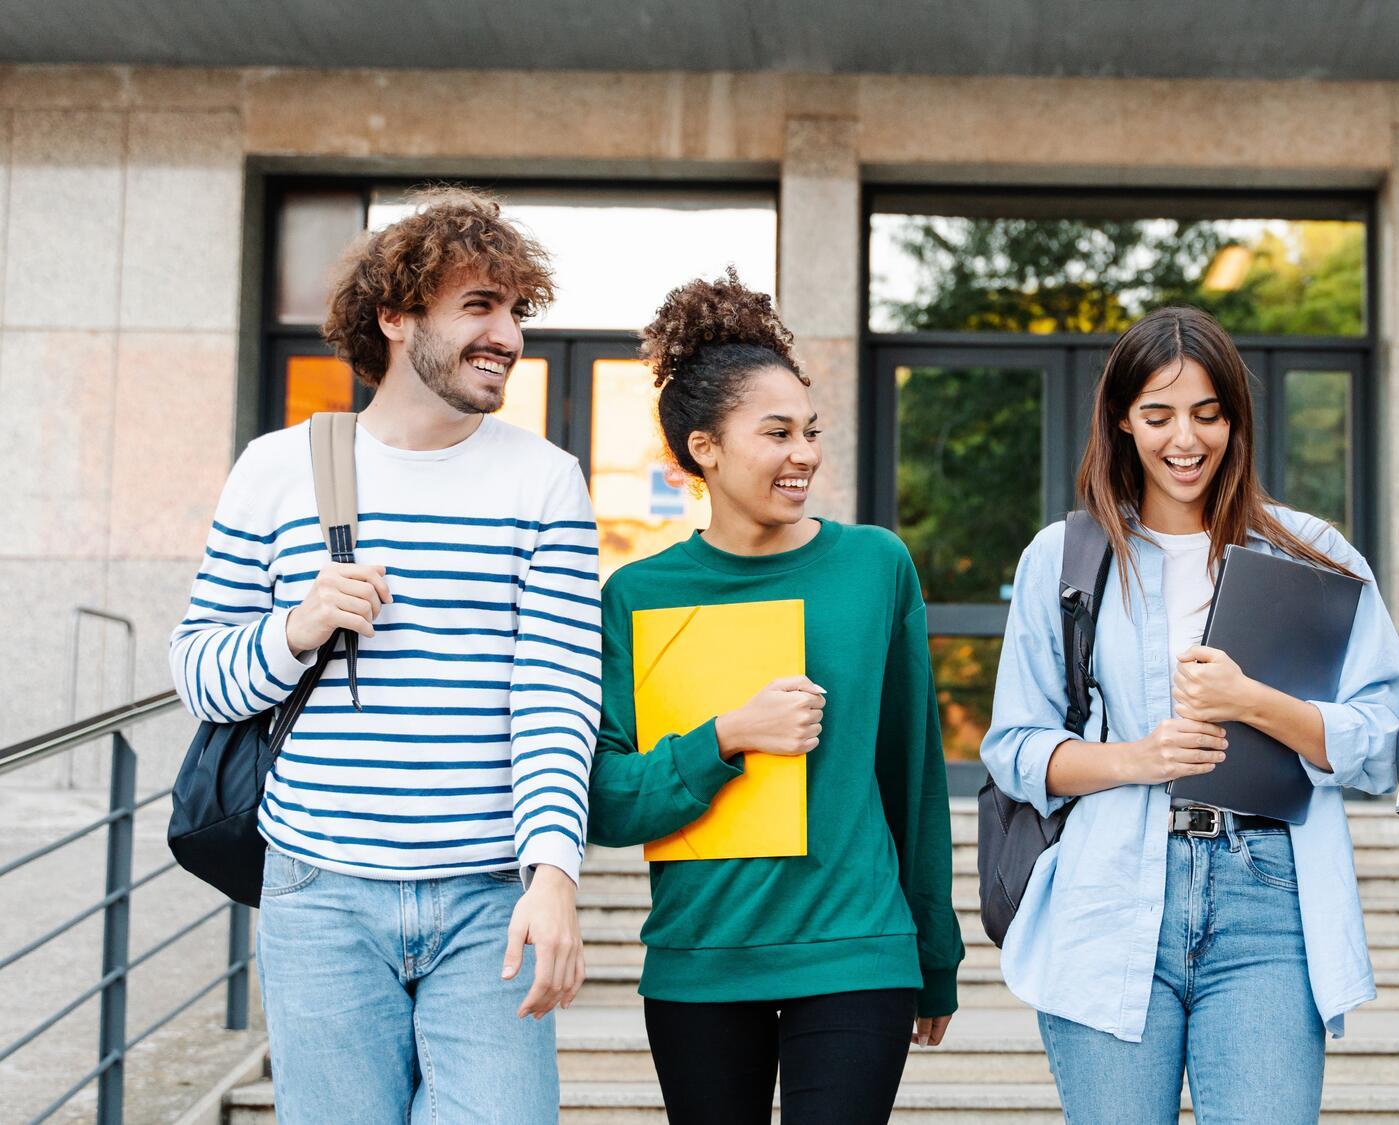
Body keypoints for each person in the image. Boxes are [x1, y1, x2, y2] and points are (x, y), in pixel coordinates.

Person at [169, 187, 599, 1121]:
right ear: (396, 316)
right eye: (478, 306)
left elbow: (559, 697)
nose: (508, 337)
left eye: (515, 310)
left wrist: (554, 873)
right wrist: (295, 627)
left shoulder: (545, 481)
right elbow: (197, 668)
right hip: (318, 891)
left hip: (491, 895)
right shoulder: (276, 469)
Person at [981, 306, 1399, 1123]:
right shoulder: (1066, 556)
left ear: (1235, 421)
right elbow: (1015, 745)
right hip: (1109, 890)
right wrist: (1135, 757)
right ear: (1122, 420)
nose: (1186, 438)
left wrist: (1257, 703)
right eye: (1159, 414)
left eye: (1208, 413)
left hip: (1269, 895)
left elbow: (1389, 736)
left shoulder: (1308, 552)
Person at [585, 269, 963, 1125]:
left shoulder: (874, 567)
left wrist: (935, 953)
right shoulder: (638, 594)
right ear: (705, 448)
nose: (805, 454)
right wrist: (725, 735)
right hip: (701, 958)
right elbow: (604, 798)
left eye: (811, 431)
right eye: (778, 432)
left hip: (856, 951)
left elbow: (913, 772)